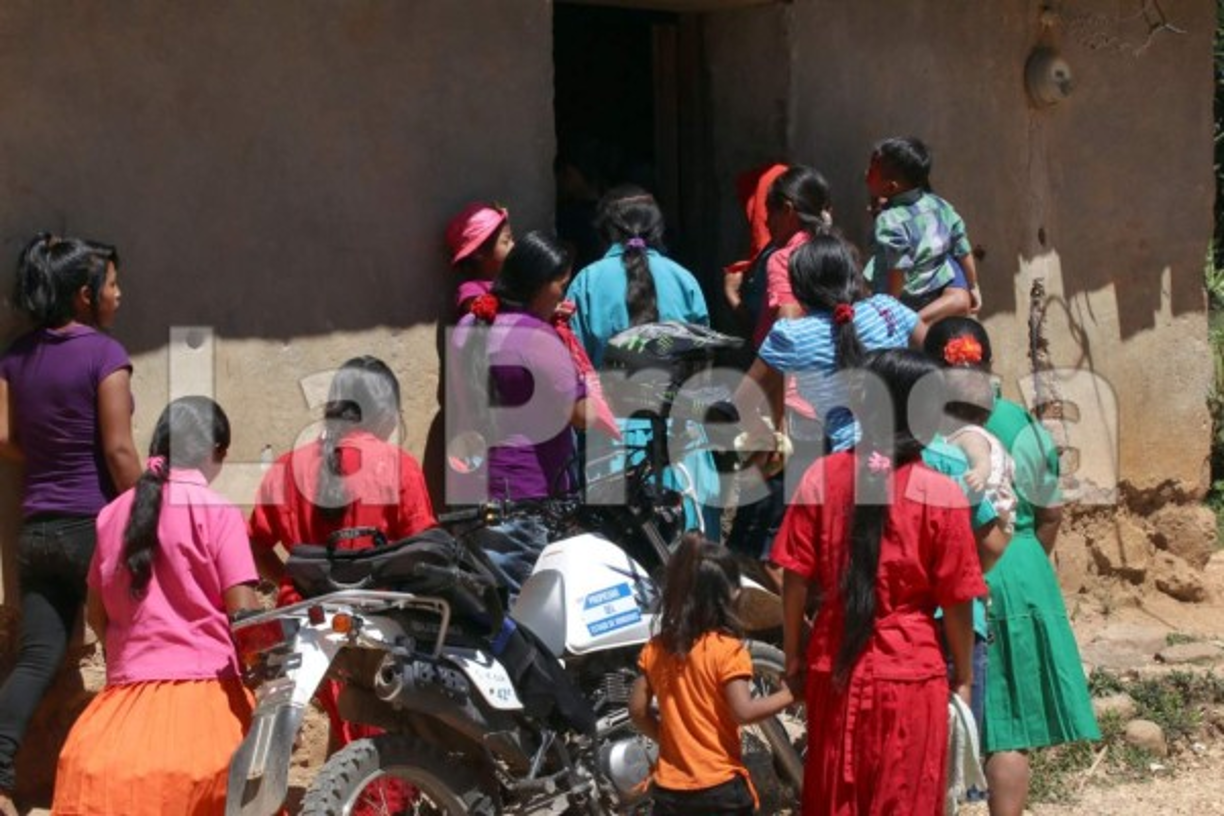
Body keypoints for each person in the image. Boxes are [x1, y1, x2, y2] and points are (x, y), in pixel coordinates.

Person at [773, 349, 986, 815]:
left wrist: (794, 653)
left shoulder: (819, 477)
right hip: (912, 672)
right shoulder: (942, 495)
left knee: (834, 796)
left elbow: (794, 579)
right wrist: (965, 676)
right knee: (906, 796)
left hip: (836, 664)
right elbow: (956, 601)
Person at [924, 318, 1098, 816]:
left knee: (946, 720)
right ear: (990, 364)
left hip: (958, 570)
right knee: (1012, 729)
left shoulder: (927, 428)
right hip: (1021, 569)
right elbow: (1050, 513)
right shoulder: (1024, 424)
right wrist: (1024, 562)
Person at [52, 397, 258, 816]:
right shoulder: (219, 513)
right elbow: (246, 616)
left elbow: (96, 613)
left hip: (114, 728)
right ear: (214, 451)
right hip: (208, 718)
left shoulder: (111, 516)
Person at [0, 234, 140, 815]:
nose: (118, 293)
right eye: (111, 283)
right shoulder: (104, 355)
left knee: (36, 658)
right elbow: (119, 452)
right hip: (94, 528)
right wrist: (150, 516)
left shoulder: (14, 357)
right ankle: (124, 780)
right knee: (131, 651)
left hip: (36, 530)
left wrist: (49, 459)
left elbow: (5, 437)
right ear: (84, 296)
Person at [249, 356, 436, 751]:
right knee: (378, 733)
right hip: (375, 629)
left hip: (304, 624)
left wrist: (289, 577)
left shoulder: (287, 468)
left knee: (345, 727)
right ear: (384, 412)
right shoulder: (398, 468)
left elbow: (254, 543)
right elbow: (424, 553)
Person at [730, 234, 920, 574]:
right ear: (852, 273)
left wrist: (766, 434)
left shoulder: (792, 335)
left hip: (846, 468)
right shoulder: (888, 310)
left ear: (801, 286)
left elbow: (744, 398)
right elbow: (934, 357)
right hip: (910, 454)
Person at [565, 186, 721, 538]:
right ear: (657, 229)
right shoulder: (685, 280)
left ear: (605, 229)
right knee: (689, 562)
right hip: (683, 444)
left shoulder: (586, 283)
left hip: (613, 444)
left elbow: (576, 369)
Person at [628, 532, 792, 815]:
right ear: (730, 595)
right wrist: (791, 694)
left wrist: (667, 740)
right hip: (720, 788)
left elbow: (637, 710)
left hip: (670, 790)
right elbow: (743, 711)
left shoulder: (656, 648)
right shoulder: (726, 649)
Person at [863, 137, 980, 341]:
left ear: (891, 187)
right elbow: (963, 248)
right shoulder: (941, 206)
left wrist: (891, 308)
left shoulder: (889, 220)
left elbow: (897, 270)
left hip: (903, 297)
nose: (866, 174)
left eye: (872, 170)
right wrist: (973, 286)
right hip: (935, 291)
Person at [446, 202, 514, 317]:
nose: (513, 245)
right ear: (478, 253)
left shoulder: (509, 281)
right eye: (506, 241)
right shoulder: (472, 291)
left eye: (512, 239)